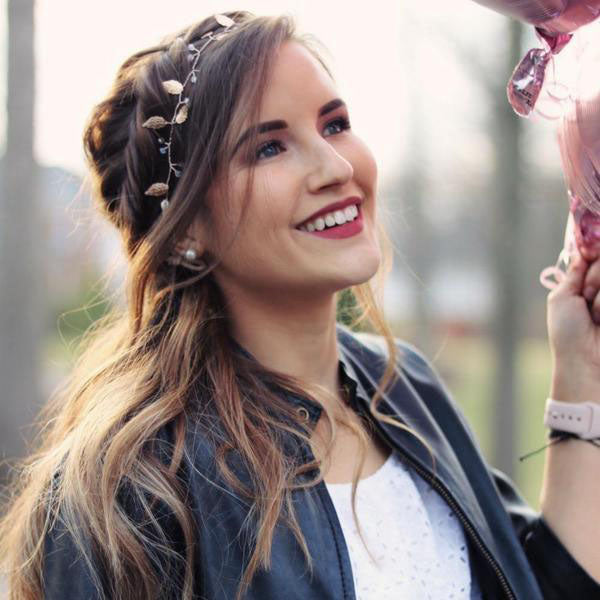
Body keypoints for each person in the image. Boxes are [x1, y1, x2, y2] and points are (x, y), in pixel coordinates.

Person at [1, 10, 600, 600]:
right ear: (187, 229)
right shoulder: (132, 490)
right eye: (268, 148)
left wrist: (579, 371)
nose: (336, 168)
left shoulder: (406, 388)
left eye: (334, 124)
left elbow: (543, 588)